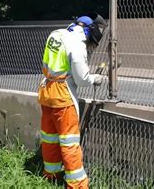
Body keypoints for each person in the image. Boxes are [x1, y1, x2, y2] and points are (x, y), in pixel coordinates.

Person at [38, 13, 107, 188]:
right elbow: (82, 78)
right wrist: (94, 79)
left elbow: (48, 63)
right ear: (88, 31)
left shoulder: (56, 34)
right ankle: (77, 184)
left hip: (46, 90)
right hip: (62, 95)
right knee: (69, 141)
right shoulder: (77, 45)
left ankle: (51, 174)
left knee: (50, 137)